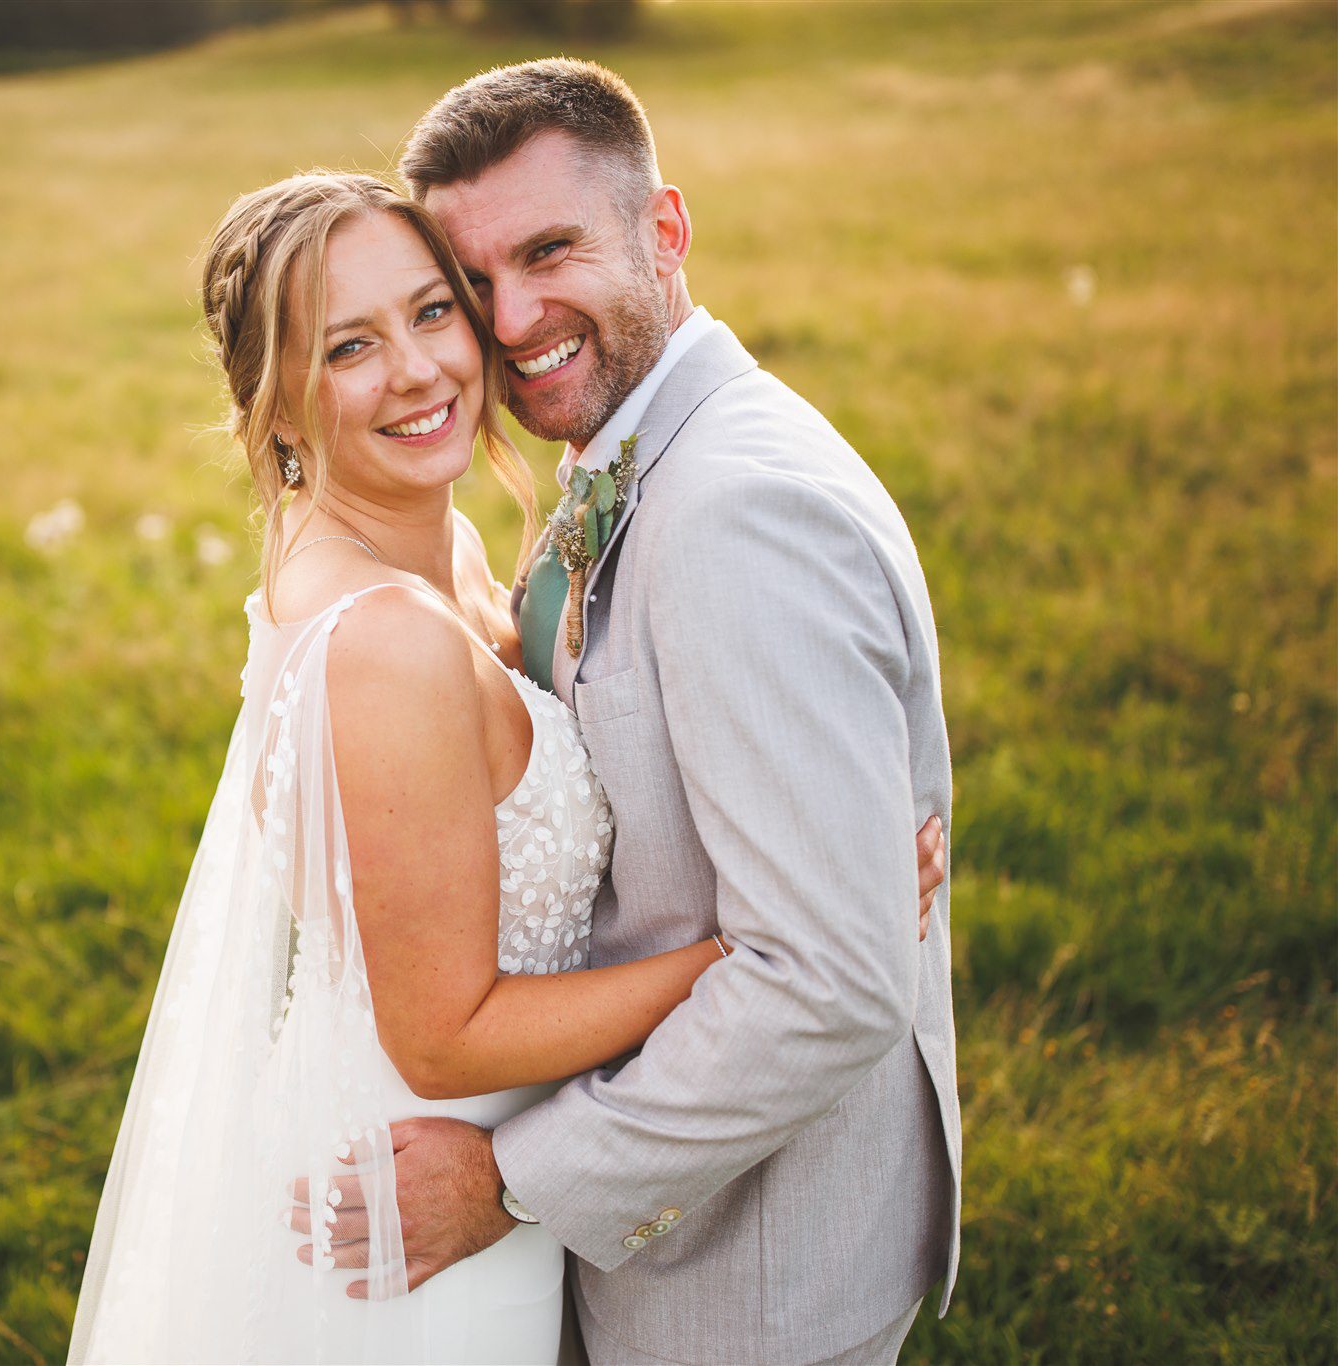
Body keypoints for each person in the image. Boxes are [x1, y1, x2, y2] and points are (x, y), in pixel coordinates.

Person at [67, 166, 946, 1364]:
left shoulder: (430, 548)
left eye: (432, 311)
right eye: (347, 349)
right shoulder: (382, 643)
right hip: (413, 1204)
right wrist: (759, 946)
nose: (420, 369)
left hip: (481, 1182)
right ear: (277, 407)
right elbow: (444, 1034)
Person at [341, 59, 964, 1365]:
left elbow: (832, 984)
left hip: (744, 1280)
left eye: (551, 250)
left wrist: (508, 1180)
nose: (513, 318)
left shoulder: (740, 512)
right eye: (477, 281)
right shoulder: (629, 450)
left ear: (664, 229)